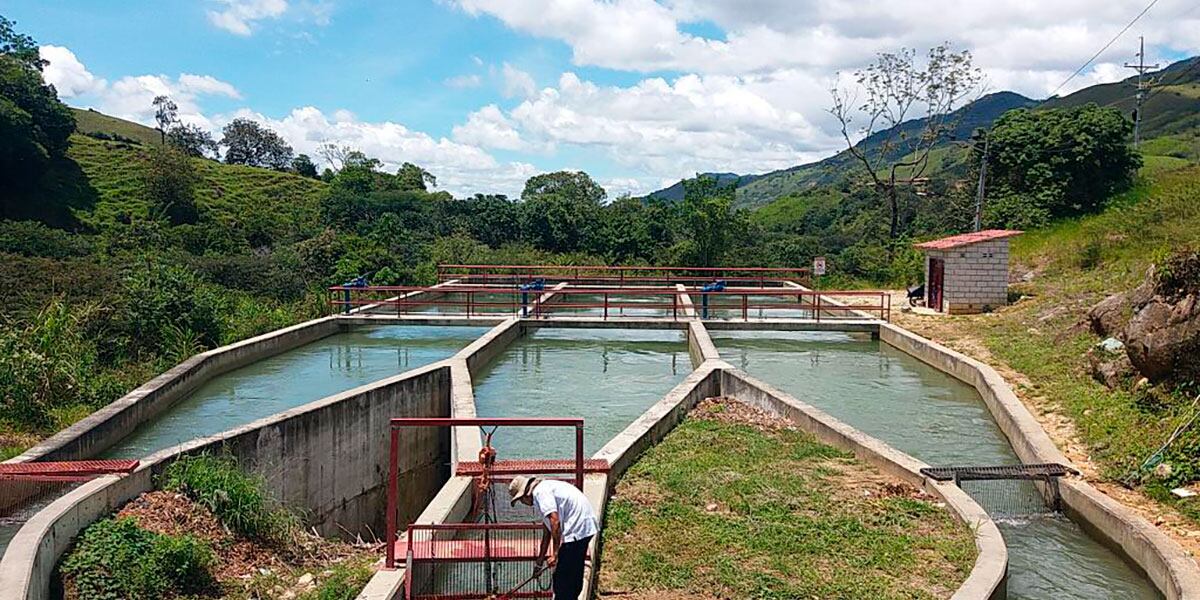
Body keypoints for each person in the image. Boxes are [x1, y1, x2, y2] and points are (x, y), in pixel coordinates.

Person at [508, 475, 597, 600]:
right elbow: (547, 533)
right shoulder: (544, 490)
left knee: (562, 580)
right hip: (584, 527)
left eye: (521, 500)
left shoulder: (540, 493)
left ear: (525, 494)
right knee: (572, 573)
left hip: (577, 529)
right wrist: (539, 563)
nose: (523, 504)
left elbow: (555, 522)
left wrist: (555, 554)